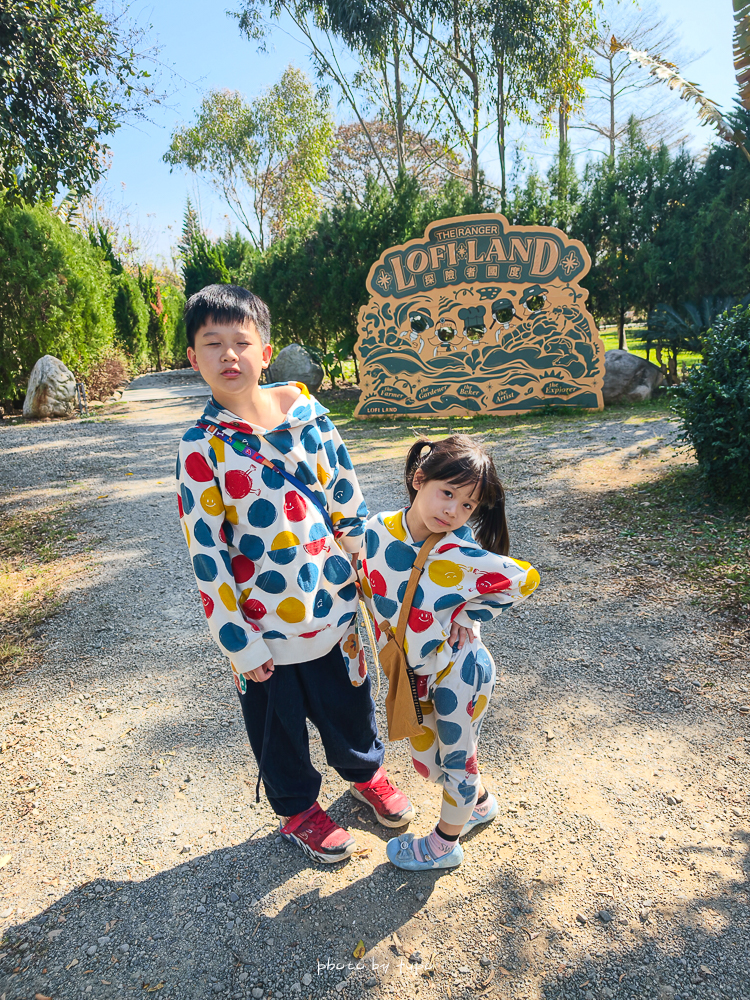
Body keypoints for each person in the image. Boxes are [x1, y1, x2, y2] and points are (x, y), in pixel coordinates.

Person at [175, 284, 414, 864]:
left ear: (265, 350)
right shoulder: (200, 449)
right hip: (263, 624)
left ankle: (364, 772)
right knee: (276, 722)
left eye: (241, 342)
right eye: (213, 344)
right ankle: (298, 810)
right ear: (193, 358)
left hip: (333, 604)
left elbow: (347, 504)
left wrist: (377, 586)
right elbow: (206, 552)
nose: (229, 356)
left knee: (347, 700)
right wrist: (237, 640)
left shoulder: (311, 419)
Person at [359, 435, 540, 870]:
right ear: (419, 479)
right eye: (447, 493)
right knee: (429, 763)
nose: (453, 511)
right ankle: (477, 804)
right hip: (414, 676)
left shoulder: (457, 550)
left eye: (467, 505)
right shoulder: (376, 529)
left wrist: (471, 614)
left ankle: (444, 845)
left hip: (460, 674)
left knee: (457, 762)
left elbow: (521, 579)